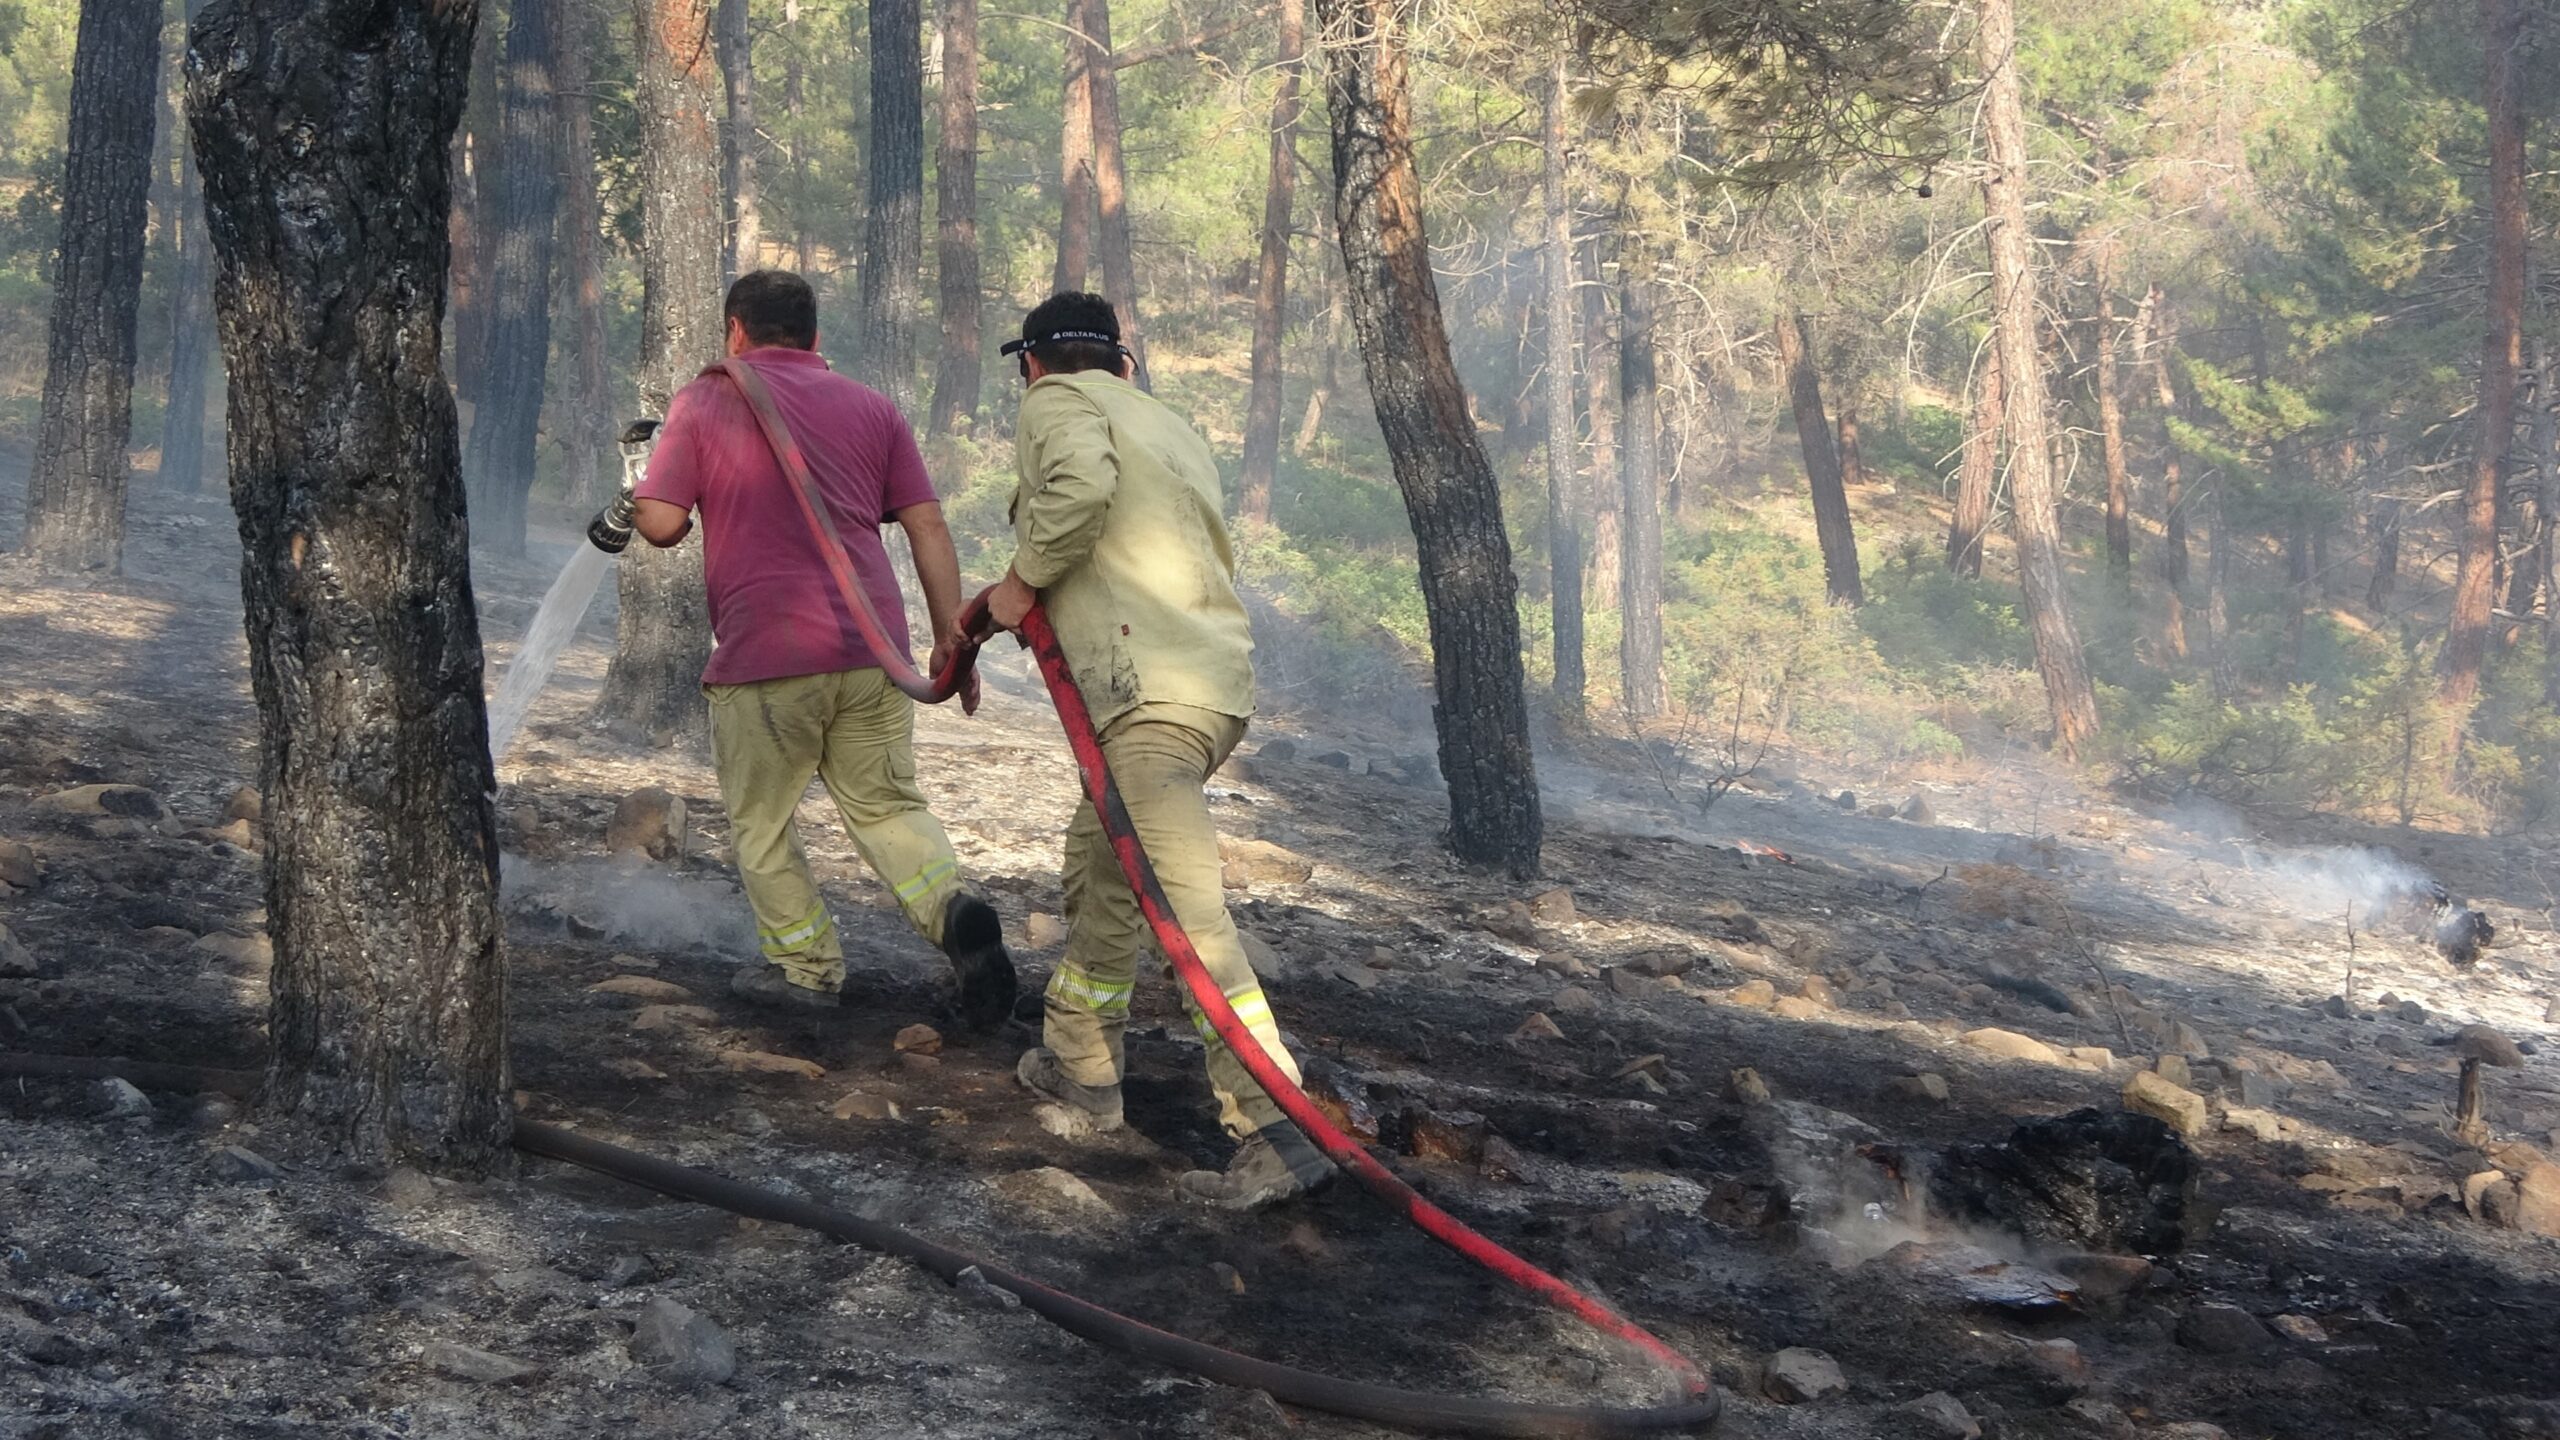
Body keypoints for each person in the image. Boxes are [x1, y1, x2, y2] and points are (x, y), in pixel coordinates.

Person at [986, 291, 1335, 1210]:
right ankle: (1081, 1068)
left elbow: (1081, 494)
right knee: (1098, 865)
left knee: (1185, 915)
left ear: (1031, 363)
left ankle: (1272, 1124)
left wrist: (1020, 585)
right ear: (1125, 365)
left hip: (1144, 693)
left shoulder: (1055, 402)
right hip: (1211, 690)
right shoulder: (1166, 422)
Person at [623, 269, 1015, 1027]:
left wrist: (638, 486)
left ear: (735, 332)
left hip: (767, 654)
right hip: (873, 652)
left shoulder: (706, 399)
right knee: (886, 804)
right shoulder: (871, 407)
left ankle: (805, 970)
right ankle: (952, 911)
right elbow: (929, 525)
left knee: (763, 820)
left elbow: (664, 525)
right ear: (815, 337)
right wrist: (949, 638)